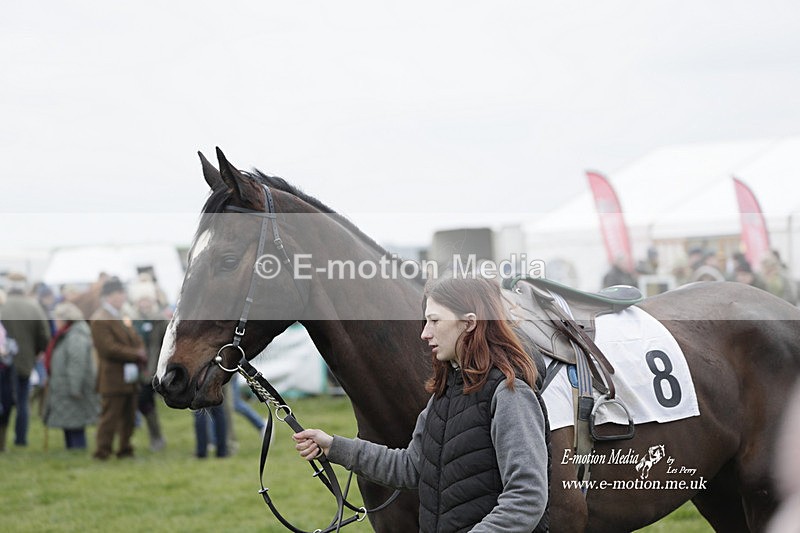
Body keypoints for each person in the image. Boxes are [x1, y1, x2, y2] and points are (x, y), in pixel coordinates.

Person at [293, 276, 549, 532]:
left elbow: (526, 498)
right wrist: (335, 447)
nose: (425, 333)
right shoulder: (444, 394)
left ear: (470, 323)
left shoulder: (509, 394)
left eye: (435, 321)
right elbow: (412, 466)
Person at [90, 277, 147, 460]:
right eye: (119, 293)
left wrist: (139, 349)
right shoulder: (100, 319)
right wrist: (136, 354)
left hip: (128, 376)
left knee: (129, 416)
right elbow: (108, 349)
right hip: (112, 377)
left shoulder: (121, 315)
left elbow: (134, 337)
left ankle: (125, 448)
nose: (123, 296)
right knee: (110, 417)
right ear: (109, 296)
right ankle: (102, 451)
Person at [0, 272, 51, 449]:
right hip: (25, 362)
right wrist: (36, 352)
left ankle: (2, 441)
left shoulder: (3, 306)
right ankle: (20, 438)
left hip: (3, 363)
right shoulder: (33, 307)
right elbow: (44, 336)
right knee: (22, 401)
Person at [42, 302, 99, 450]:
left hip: (72, 387)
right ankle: (72, 450)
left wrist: (75, 387)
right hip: (64, 385)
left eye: (57, 318)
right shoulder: (67, 334)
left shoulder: (76, 335)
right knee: (70, 421)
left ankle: (77, 450)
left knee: (75, 422)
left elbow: (76, 362)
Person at [130, 278, 167, 452]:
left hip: (157, 368)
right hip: (139, 369)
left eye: (147, 300)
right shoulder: (132, 321)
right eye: (141, 300)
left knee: (148, 401)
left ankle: (157, 437)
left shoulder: (160, 320)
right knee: (145, 403)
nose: (144, 304)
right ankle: (156, 436)